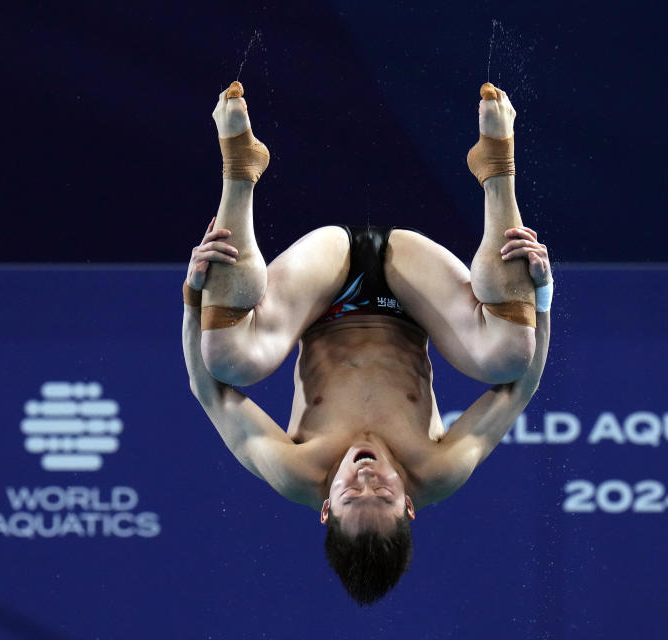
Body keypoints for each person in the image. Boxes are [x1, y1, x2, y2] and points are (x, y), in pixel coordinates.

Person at [181, 81, 553, 605]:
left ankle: (239, 173)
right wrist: (542, 294)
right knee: (511, 354)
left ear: (326, 508)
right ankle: (498, 168)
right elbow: (519, 390)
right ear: (410, 506)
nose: (366, 476)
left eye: (353, 494)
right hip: (412, 290)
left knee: (226, 359)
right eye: (384, 492)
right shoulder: (439, 471)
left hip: (324, 287)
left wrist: (193, 294)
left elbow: (211, 393)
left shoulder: (294, 472)